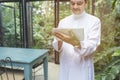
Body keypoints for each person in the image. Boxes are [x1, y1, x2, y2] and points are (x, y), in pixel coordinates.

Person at [52, 0, 101, 80]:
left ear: (86, 2)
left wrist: (74, 42)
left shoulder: (94, 21)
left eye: (79, 3)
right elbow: (57, 46)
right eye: (72, 3)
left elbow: (92, 45)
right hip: (66, 65)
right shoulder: (63, 22)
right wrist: (59, 41)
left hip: (82, 67)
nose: (75, 7)